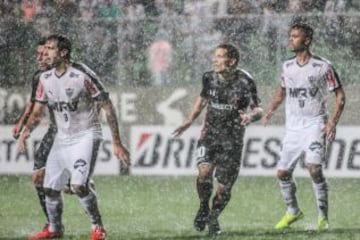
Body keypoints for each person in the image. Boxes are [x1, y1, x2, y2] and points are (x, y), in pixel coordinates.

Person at [18, 34, 130, 240]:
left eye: (50, 49)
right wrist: (26, 131)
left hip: (86, 135)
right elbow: (38, 111)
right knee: (50, 188)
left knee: (78, 186)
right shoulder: (45, 78)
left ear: (63, 52)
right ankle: (54, 229)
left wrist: (117, 142)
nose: (45, 53)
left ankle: (98, 228)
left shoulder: (82, 75)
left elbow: (107, 105)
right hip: (62, 138)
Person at [262, 22, 345, 231]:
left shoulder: (323, 66)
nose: (291, 39)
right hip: (293, 128)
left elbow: (340, 97)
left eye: (295, 36)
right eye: (290, 36)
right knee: (282, 173)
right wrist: (270, 111)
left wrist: (332, 123)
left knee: (314, 169)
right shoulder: (287, 66)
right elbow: (281, 92)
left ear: (307, 40)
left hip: (315, 124)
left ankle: (323, 218)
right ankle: (293, 211)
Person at [173, 43, 263, 237]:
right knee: (204, 173)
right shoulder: (209, 77)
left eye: (220, 56)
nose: (215, 60)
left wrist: (250, 117)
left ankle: (213, 217)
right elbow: (203, 99)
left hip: (233, 141)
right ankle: (204, 206)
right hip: (210, 135)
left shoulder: (245, 81)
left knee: (223, 189)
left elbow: (258, 109)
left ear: (232, 61)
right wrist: (189, 120)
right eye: (215, 55)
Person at [12, 38, 56, 229]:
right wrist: (21, 125)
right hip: (55, 131)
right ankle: (52, 224)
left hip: (74, 134)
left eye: (44, 54)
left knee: (77, 185)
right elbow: (34, 106)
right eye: (38, 54)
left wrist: (25, 132)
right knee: (38, 177)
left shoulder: (69, 74)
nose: (40, 57)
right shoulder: (40, 77)